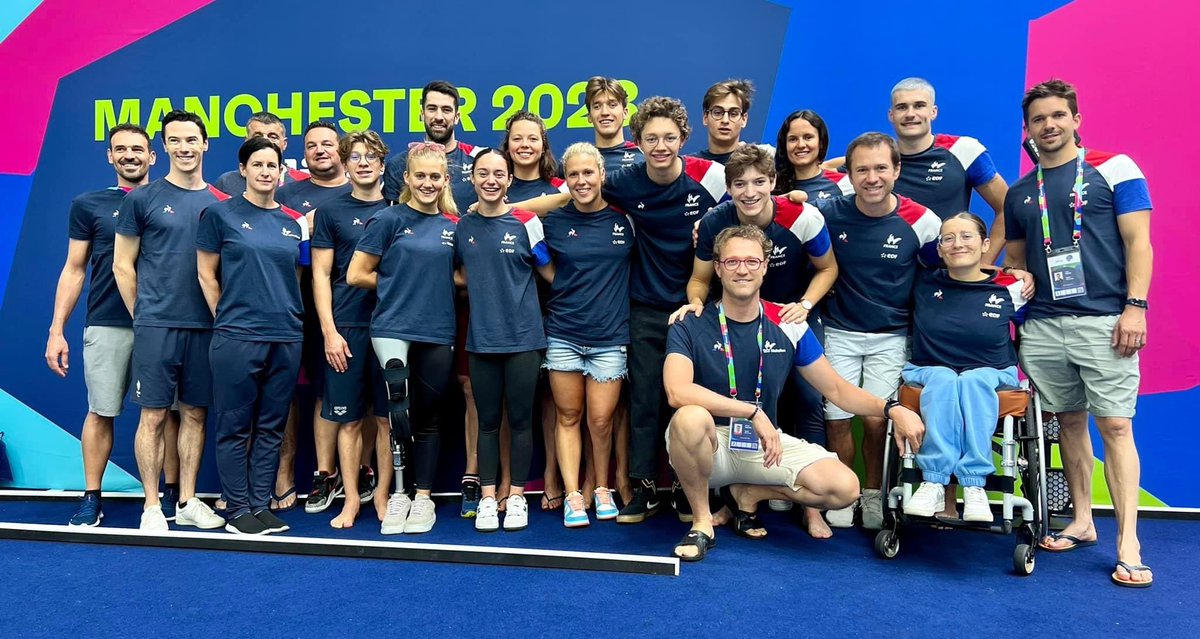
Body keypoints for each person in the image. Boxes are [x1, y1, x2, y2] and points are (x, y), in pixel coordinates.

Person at [511, 96, 727, 524]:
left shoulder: (710, 181)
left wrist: (716, 221)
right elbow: (563, 198)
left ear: (683, 138)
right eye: (652, 138)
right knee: (645, 401)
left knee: (693, 405)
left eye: (669, 137)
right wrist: (497, 208)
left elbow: (749, 200)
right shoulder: (622, 182)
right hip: (643, 307)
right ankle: (644, 488)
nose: (661, 146)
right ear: (638, 142)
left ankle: (692, 490)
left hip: (695, 307)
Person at [664, 224, 924, 561]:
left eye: (752, 261)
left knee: (844, 488)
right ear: (717, 268)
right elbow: (677, 391)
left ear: (765, 266)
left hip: (762, 445)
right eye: (732, 262)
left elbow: (836, 389)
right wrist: (751, 411)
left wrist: (892, 408)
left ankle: (749, 493)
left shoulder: (788, 323)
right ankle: (702, 522)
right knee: (689, 417)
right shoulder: (691, 321)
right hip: (710, 445)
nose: (742, 270)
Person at [1003, 79, 1154, 588]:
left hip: (1105, 321)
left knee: (1115, 427)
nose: (1048, 125)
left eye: (1057, 116)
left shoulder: (1116, 169)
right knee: (1068, 423)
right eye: (1038, 119)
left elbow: (1139, 243)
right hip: (1043, 325)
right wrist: (1016, 284)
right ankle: (1083, 521)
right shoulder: (1021, 192)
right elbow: (1018, 261)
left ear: (1076, 120)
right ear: (1028, 130)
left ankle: (1128, 542)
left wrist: (1135, 308)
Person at [678, 144, 839, 537]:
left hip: (791, 317)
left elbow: (828, 268)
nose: (749, 192)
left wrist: (804, 304)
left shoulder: (802, 215)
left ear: (773, 183)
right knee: (734, 400)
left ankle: (811, 510)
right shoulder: (715, 221)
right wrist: (697, 305)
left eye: (759, 182)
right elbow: (699, 279)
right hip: (739, 318)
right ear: (728, 188)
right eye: (739, 184)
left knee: (808, 399)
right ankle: (729, 499)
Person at [814, 132, 942, 531]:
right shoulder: (828, 213)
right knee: (836, 418)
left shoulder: (923, 222)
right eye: (862, 170)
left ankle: (872, 494)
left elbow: (949, 270)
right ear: (849, 175)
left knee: (875, 421)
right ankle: (844, 493)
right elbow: (781, 216)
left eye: (881, 168)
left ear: (897, 170)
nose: (872, 178)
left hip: (892, 336)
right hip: (839, 331)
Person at [113, 109, 227, 532]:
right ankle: (151, 506)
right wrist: (143, 315)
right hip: (156, 326)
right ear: (164, 147)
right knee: (154, 416)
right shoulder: (141, 199)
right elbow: (122, 265)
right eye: (175, 140)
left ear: (205, 144)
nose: (184, 147)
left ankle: (188, 501)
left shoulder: (221, 204)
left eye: (191, 139)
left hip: (205, 326)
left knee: (195, 414)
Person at [197, 136, 310, 535]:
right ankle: (238, 508)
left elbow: (296, 278)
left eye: (271, 165)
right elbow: (206, 274)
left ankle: (260, 504)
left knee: (272, 426)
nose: (265, 172)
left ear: (281, 171)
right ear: (243, 170)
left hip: (286, 336)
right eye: (257, 164)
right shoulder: (219, 215)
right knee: (234, 425)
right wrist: (228, 318)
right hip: (237, 336)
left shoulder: (294, 222)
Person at [347, 142, 460, 535]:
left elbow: (463, 275)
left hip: (437, 329)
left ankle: (422, 497)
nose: (428, 183)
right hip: (393, 328)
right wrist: (401, 283)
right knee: (397, 412)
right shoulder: (388, 219)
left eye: (435, 177)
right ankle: (397, 492)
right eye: (420, 176)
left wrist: (435, 283)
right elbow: (356, 274)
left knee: (428, 416)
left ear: (445, 180)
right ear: (407, 178)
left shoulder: (453, 226)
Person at [47, 124, 157, 526]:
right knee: (101, 411)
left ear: (152, 156)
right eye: (121, 149)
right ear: (110, 156)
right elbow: (74, 269)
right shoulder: (88, 204)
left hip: (162, 325)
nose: (130, 155)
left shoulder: (170, 200)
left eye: (138, 149)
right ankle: (91, 497)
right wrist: (56, 330)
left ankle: (168, 501)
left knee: (166, 415)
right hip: (108, 322)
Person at [902, 213, 1027, 522]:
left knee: (973, 381)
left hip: (993, 372)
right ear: (939, 249)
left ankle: (974, 484)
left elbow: (1035, 330)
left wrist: (1011, 271)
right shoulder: (923, 282)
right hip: (929, 368)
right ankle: (933, 480)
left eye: (967, 236)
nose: (958, 244)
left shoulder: (1011, 288)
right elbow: (909, 259)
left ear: (985, 244)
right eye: (949, 238)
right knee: (945, 379)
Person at [455, 148, 555, 532]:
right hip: (482, 341)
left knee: (521, 421)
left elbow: (550, 274)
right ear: (473, 179)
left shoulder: (527, 223)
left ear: (509, 180)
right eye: (483, 173)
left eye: (499, 174)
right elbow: (455, 273)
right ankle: (486, 497)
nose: (491, 180)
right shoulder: (462, 227)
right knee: (488, 423)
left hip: (525, 340)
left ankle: (515, 497)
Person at [541, 142, 633, 526]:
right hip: (563, 333)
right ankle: (573, 495)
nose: (581, 181)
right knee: (568, 416)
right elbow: (536, 252)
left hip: (609, 337)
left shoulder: (625, 220)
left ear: (601, 174)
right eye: (573, 174)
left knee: (601, 421)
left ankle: (602, 487)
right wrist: (560, 282)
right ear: (566, 179)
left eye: (588, 173)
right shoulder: (553, 221)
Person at [311, 130, 393, 529]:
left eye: (370, 156)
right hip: (346, 328)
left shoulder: (399, 209)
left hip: (391, 327)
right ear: (345, 164)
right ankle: (350, 500)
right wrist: (329, 331)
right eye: (355, 157)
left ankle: (382, 496)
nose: (363, 163)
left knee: (387, 421)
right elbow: (321, 275)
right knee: (348, 421)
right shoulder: (329, 212)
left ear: (382, 164)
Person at [276, 120, 355, 516]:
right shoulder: (286, 194)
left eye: (327, 143)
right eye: (311, 145)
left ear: (341, 149)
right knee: (291, 394)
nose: (320, 150)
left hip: (350, 312)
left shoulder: (361, 189)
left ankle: (348, 474)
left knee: (346, 393)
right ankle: (292, 474)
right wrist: (301, 227)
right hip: (293, 312)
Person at [887, 77, 1010, 263]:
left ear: (933, 112)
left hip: (950, 276)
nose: (910, 114)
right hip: (893, 276)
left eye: (919, 106)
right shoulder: (879, 161)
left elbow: (1007, 208)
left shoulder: (963, 150)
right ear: (891, 115)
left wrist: (982, 265)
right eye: (902, 107)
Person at [383, 80, 480, 209]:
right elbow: (392, 217)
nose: (439, 117)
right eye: (432, 109)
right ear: (422, 114)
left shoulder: (477, 160)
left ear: (457, 117)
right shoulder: (397, 165)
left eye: (446, 110)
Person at [213, 112, 307, 195]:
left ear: (284, 144)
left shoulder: (303, 182)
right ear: (246, 141)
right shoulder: (226, 183)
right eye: (257, 137)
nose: (265, 142)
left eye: (273, 137)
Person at [772, 109, 853, 202]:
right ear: (784, 145)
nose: (801, 145)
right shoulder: (769, 185)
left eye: (808, 137)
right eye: (793, 139)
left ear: (821, 142)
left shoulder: (844, 184)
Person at [692, 80, 773, 165]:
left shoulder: (761, 161)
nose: (725, 120)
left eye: (733, 114)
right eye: (718, 113)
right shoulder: (688, 165)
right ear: (705, 117)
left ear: (744, 119)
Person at [584, 76, 643, 173]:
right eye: (597, 107)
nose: (604, 112)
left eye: (612, 105)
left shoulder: (643, 157)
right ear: (589, 116)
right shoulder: (577, 160)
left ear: (625, 112)